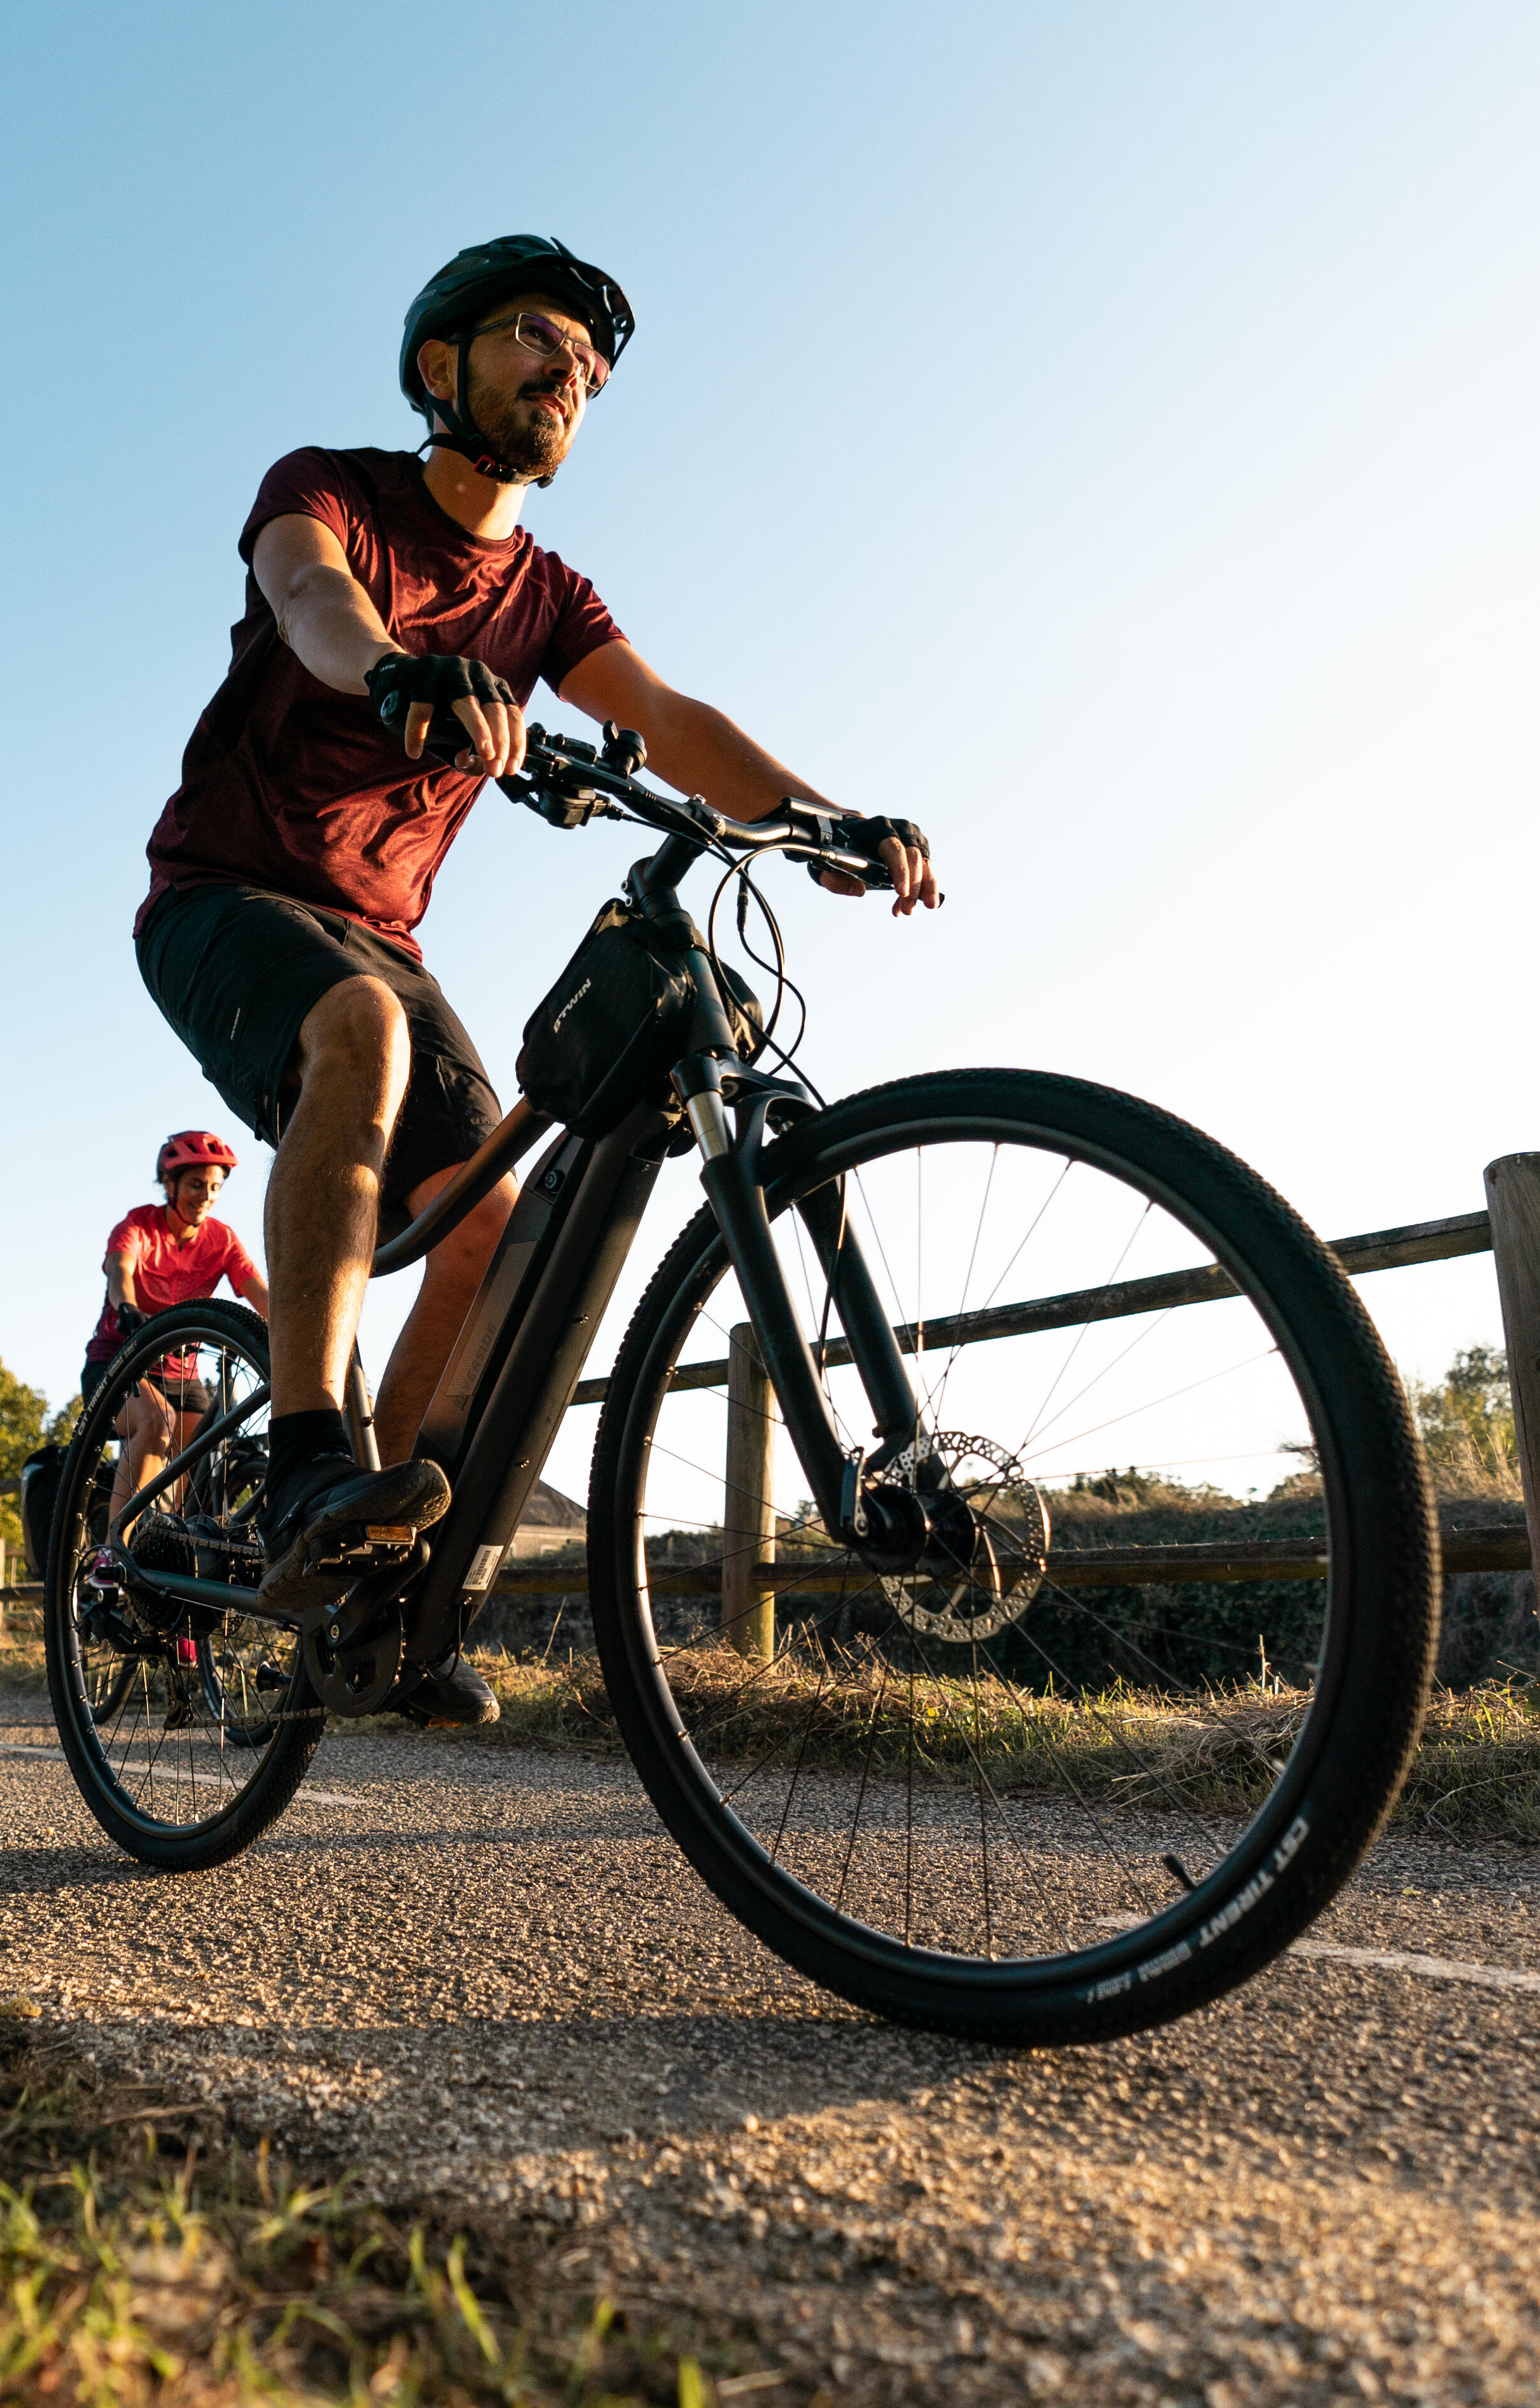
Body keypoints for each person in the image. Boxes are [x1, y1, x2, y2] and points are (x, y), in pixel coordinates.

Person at [129, 236, 940, 1722]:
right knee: (359, 1032)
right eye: (529, 338)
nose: (565, 372)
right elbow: (313, 597)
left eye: (585, 365)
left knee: (490, 1211)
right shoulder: (331, 488)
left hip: (382, 932)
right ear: (440, 368)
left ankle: (384, 1567)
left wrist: (824, 819)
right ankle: (311, 1445)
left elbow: (671, 717)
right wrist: (391, 669)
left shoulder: (547, 592)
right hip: (225, 897)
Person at [84, 1130, 270, 1549]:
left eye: (215, 1187)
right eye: (195, 1185)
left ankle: (175, 1554)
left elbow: (258, 1293)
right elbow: (120, 1271)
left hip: (181, 1373)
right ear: (169, 1186)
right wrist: (127, 1308)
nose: (205, 1196)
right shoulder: (139, 1225)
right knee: (155, 1425)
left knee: (208, 1453)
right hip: (120, 1359)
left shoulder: (220, 1239)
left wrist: (293, 1329)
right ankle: (113, 1555)